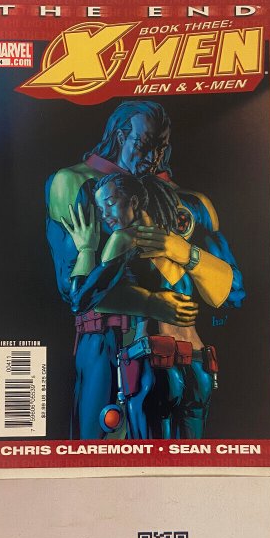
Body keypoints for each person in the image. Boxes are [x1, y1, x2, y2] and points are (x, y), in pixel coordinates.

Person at [46, 101, 200, 439]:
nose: (153, 158)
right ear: (120, 136)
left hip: (168, 348)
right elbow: (75, 292)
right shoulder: (73, 182)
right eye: (144, 145)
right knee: (100, 446)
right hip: (105, 341)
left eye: (161, 148)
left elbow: (226, 289)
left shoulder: (170, 195)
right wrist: (152, 303)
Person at [64, 172, 243, 439]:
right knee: (191, 455)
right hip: (198, 367)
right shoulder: (175, 242)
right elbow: (226, 296)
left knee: (151, 453)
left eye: (110, 203)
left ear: (134, 201)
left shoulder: (124, 239)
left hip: (156, 366)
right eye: (100, 210)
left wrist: (86, 250)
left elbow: (81, 299)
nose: (105, 215)